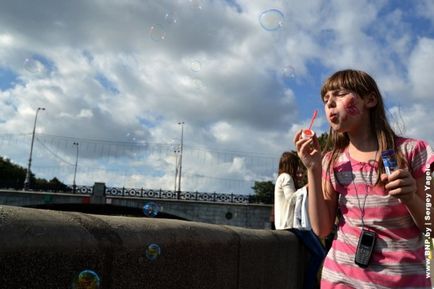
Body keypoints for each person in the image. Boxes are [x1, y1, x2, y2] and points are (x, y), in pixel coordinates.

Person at [294, 69, 434, 288]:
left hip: (403, 281)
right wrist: (313, 169)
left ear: (370, 99)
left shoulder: (413, 152)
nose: (330, 102)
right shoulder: (332, 161)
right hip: (341, 279)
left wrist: (410, 198)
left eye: (339, 94)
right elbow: (322, 229)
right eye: (325, 99)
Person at [274, 151, 326, 289]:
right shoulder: (286, 177)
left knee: (319, 251)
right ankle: (309, 285)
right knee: (320, 254)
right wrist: (308, 187)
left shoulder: (282, 177)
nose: (298, 168)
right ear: (291, 164)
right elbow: (291, 199)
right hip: (292, 225)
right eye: (296, 164)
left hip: (290, 225)